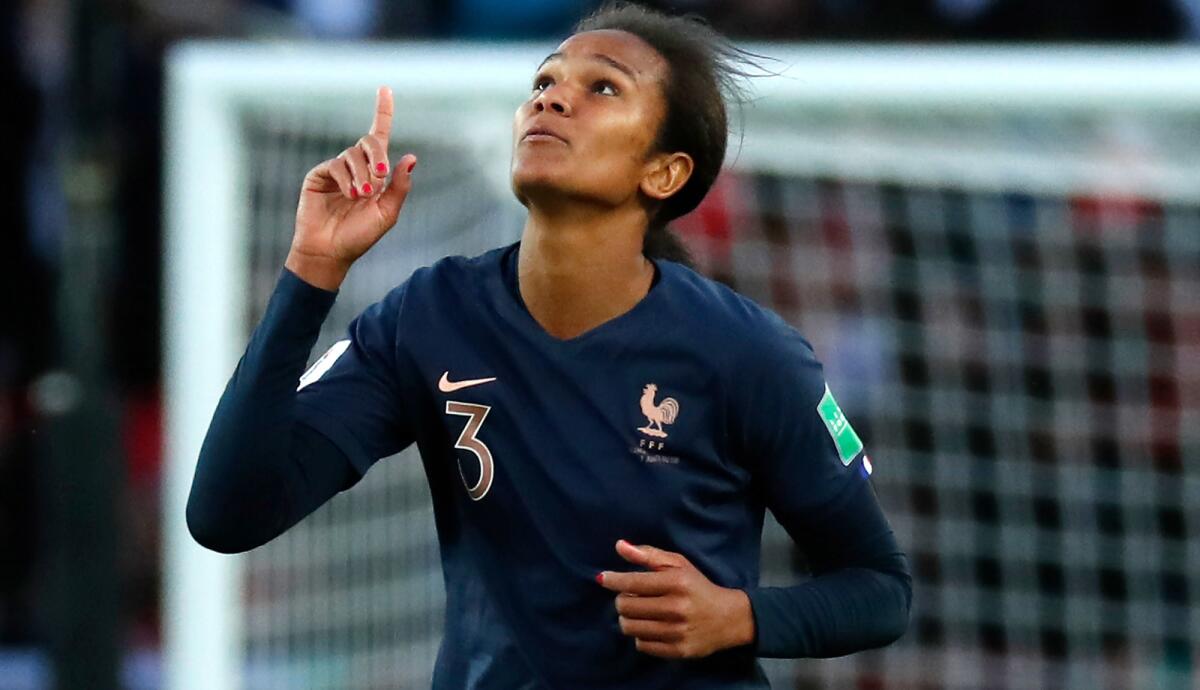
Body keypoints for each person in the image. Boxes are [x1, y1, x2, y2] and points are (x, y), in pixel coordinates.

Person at [185, 2, 911, 687]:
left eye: (602, 88)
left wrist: (742, 616)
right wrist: (312, 272)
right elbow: (227, 514)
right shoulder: (431, 316)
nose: (552, 99)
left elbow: (880, 588)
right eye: (544, 81)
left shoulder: (746, 353)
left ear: (663, 172)